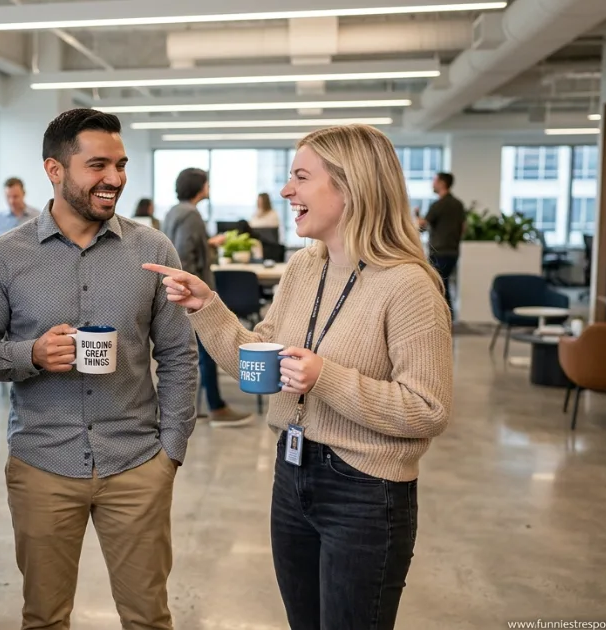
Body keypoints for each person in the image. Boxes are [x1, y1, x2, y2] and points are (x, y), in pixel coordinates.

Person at [146, 124, 453, 630]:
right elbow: (257, 357)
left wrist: (325, 378)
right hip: (292, 475)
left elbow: (429, 409)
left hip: (366, 490)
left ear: (351, 186)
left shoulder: (409, 285)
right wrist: (205, 305)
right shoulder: (303, 268)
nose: (288, 190)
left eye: (301, 177)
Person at [0, 108, 197, 630]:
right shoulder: (2, 258)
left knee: (149, 618)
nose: (114, 179)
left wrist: (171, 451)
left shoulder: (154, 250)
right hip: (42, 462)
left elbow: (179, 354)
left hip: (136, 463)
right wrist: (32, 355)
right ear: (55, 169)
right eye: (97, 165)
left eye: (120, 164)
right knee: (44, 618)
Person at [162, 168, 252, 427]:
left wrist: (208, 244)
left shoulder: (174, 211)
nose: (209, 188)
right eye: (207, 184)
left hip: (178, 294)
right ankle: (217, 407)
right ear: (199, 186)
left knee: (191, 353)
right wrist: (193, 294)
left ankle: (205, 406)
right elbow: (184, 255)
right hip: (191, 297)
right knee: (207, 350)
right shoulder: (191, 215)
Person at [416, 172, 464, 318]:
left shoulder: (439, 204)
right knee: (445, 283)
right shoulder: (458, 204)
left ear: (442, 183)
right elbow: (463, 227)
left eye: (435, 180)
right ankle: (449, 316)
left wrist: (417, 216)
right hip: (453, 251)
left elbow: (422, 224)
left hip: (439, 251)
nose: (433, 183)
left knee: (439, 285)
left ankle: (444, 317)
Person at [0, 176, 41, 254]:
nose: (11, 201)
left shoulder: (38, 216)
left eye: (15, 196)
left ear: (24, 194)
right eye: (8, 197)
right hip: (1, 264)